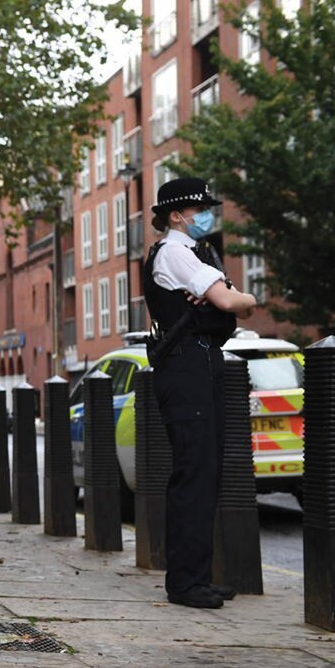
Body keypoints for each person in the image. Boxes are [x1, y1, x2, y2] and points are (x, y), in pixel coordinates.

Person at [142, 177, 257, 610]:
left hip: (201, 362)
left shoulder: (193, 253)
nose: (207, 216)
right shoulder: (174, 252)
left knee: (206, 472)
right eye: (199, 210)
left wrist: (231, 296)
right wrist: (240, 296)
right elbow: (231, 303)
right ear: (176, 215)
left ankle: (198, 576)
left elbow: (229, 301)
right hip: (185, 365)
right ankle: (185, 583)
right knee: (194, 472)